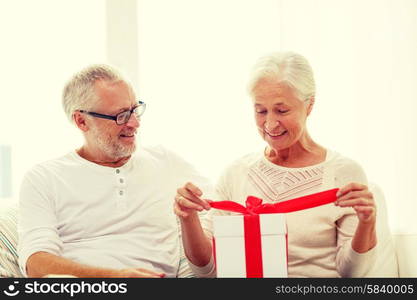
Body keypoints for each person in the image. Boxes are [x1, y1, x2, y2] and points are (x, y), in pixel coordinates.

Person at [174, 51, 378, 277]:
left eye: (282, 110)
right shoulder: (235, 173)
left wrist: (367, 223)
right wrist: (188, 218)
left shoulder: (344, 173)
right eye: (260, 111)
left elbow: (353, 274)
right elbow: (207, 272)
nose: (270, 123)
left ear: (309, 104)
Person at [17, 64, 214, 278]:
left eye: (134, 110)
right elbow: (35, 264)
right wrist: (115, 278)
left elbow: (214, 241)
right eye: (121, 115)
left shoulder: (166, 162)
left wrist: (189, 215)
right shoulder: (44, 177)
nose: (135, 123)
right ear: (81, 121)